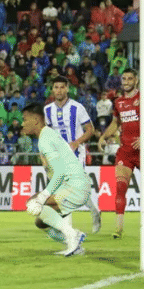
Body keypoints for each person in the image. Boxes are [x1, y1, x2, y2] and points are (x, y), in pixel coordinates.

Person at [22, 103, 88, 257]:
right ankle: (73, 242)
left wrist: (44, 196)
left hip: (74, 186)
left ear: (36, 120)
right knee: (40, 221)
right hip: (72, 185)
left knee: (33, 203)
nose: (22, 123)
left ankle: (73, 235)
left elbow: (59, 173)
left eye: (25, 119)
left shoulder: (45, 139)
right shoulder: (46, 136)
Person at [43, 76, 102, 233]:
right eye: (56, 87)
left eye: (62, 87)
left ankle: (92, 214)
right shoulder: (47, 110)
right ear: (52, 89)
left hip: (76, 153)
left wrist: (76, 142)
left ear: (67, 88)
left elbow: (90, 130)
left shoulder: (77, 107)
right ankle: (68, 228)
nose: (59, 90)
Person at [97, 68, 140, 239]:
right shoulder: (119, 102)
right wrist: (104, 136)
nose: (127, 81)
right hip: (126, 151)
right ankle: (118, 228)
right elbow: (116, 123)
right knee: (120, 188)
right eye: (124, 79)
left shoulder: (143, 99)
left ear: (136, 80)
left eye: (130, 78)